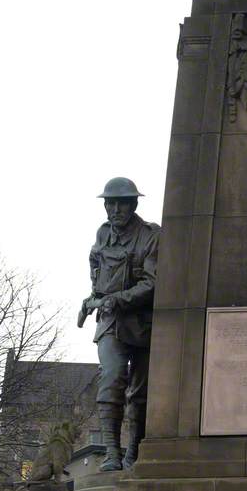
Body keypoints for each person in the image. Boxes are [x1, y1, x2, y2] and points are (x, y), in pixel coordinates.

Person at [78, 178, 159, 472]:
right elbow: (96, 267)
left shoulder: (151, 236)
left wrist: (119, 299)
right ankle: (112, 454)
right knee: (111, 379)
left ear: (134, 204)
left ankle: (132, 453)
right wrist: (96, 297)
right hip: (110, 319)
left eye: (121, 203)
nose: (114, 209)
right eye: (109, 203)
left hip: (141, 322)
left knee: (139, 393)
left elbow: (153, 283)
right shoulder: (103, 233)